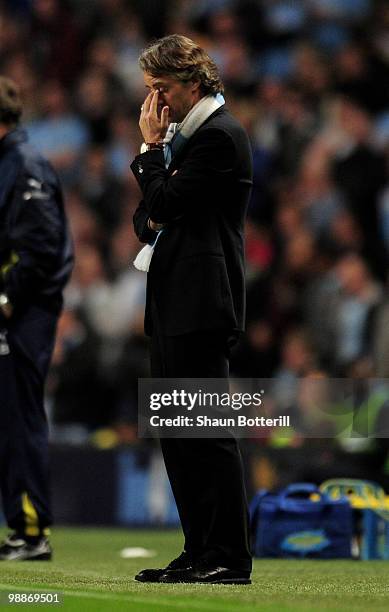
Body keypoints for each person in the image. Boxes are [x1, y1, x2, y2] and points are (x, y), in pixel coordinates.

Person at [131, 35, 253, 584]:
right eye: (150, 90)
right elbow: (146, 219)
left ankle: (228, 552)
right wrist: (159, 176)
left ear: (195, 82)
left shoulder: (220, 138)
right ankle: (200, 548)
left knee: (205, 428)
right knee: (178, 431)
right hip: (175, 297)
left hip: (203, 300)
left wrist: (151, 151)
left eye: (163, 88)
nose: (156, 102)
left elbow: (159, 204)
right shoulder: (188, 141)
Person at [0, 77, 73, 560]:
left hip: (22, 314)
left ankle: (31, 531)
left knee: (17, 418)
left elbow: (41, 249)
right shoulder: (9, 165)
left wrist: (6, 302)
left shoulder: (24, 166)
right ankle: (24, 528)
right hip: (12, 309)